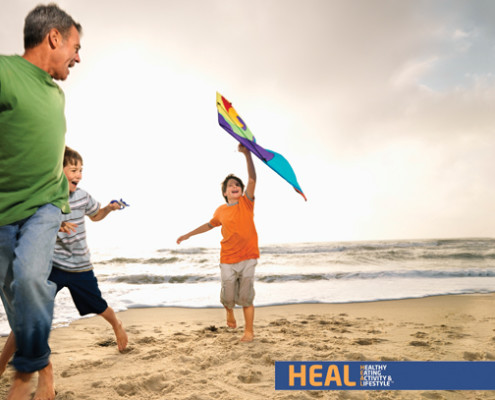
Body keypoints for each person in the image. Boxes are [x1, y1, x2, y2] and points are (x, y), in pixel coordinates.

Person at [0, 4, 82, 399]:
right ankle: (44, 363)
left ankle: (25, 376)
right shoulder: (4, 72)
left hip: (45, 206)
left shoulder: (57, 94)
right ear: (54, 38)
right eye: (75, 46)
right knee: (16, 296)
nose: (78, 57)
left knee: (32, 278)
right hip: (1, 212)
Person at [0, 147, 129, 378]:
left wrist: (108, 209)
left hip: (80, 266)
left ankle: (116, 324)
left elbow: (96, 215)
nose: (78, 174)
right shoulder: (42, 199)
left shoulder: (82, 197)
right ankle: (2, 363)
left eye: (81, 170)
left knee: (98, 306)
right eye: (73, 169)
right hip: (51, 266)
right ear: (56, 172)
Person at [177, 144, 259, 342]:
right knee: (228, 296)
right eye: (230, 185)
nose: (234, 186)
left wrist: (247, 154)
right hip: (228, 259)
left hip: (248, 257)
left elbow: (252, 179)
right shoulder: (220, 210)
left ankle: (249, 331)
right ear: (225, 192)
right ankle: (229, 311)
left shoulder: (246, 203)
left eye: (236, 184)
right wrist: (188, 234)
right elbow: (209, 225)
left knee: (247, 297)